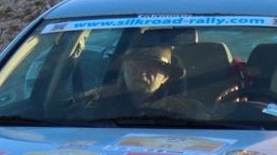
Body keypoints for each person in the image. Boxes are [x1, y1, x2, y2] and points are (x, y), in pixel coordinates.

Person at [74, 45, 202, 118]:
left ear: (166, 77)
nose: (142, 70)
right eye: (135, 61)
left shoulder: (187, 111)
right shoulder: (93, 102)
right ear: (122, 67)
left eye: (153, 65)